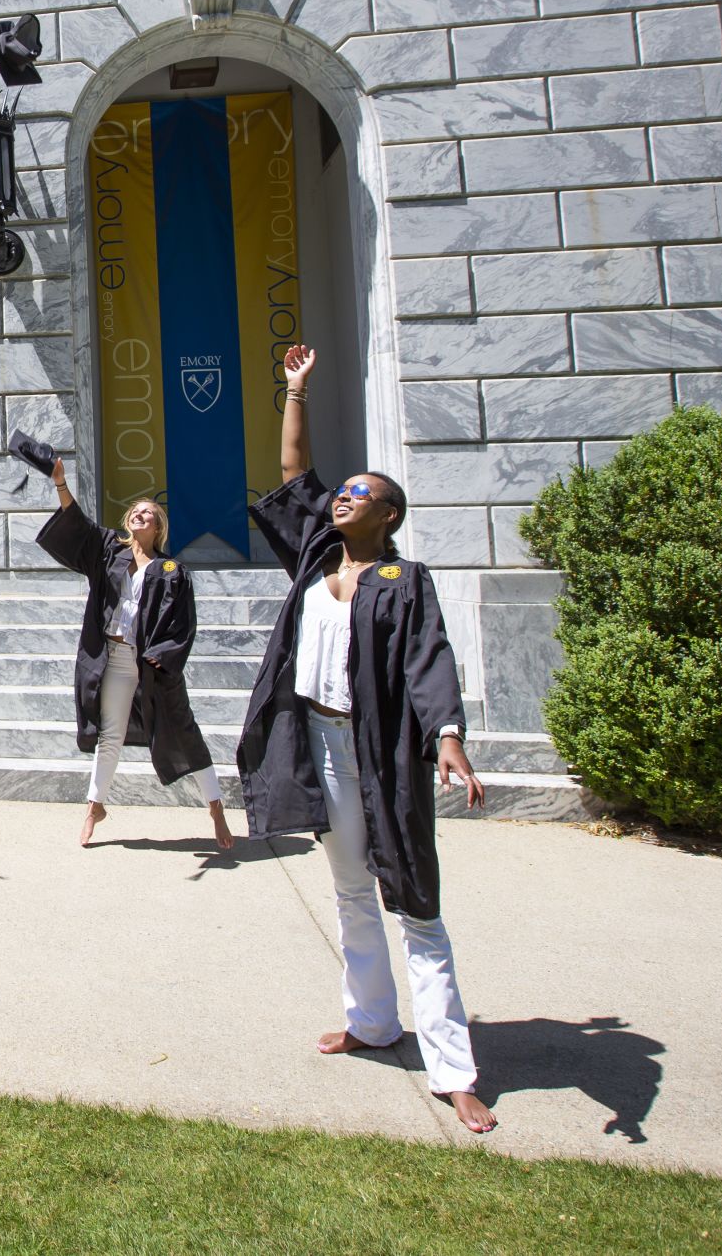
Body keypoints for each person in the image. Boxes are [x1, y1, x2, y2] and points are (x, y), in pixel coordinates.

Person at [233, 344, 496, 1134]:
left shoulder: (404, 582)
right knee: (350, 891)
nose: (343, 498)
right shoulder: (316, 557)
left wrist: (447, 735)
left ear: (389, 514)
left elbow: (428, 659)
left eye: (361, 494)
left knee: (415, 902)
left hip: (381, 754)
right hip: (316, 742)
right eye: (343, 492)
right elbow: (293, 471)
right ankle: (373, 1021)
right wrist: (296, 390)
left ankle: (454, 1070)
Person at [37, 462, 237, 850]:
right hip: (111, 658)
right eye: (135, 511)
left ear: (158, 527)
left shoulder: (171, 569)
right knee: (109, 736)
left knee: (185, 732)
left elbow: (184, 623)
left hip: (150, 665)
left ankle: (215, 807)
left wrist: (164, 655)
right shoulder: (110, 551)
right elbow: (77, 523)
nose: (139, 515)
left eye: (148, 513)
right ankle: (94, 807)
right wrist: (61, 483)